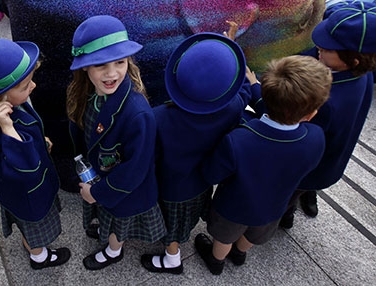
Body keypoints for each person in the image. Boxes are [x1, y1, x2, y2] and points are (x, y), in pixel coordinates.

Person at [195, 55, 332, 275]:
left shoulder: (239, 139)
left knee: (223, 237)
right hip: (273, 208)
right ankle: (240, 254)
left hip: (232, 208)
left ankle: (216, 259)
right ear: (311, 114)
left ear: (267, 98)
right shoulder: (316, 137)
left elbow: (212, 174)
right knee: (252, 236)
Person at [141, 32, 251, 274]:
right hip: (202, 183)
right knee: (186, 220)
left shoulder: (157, 117)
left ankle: (172, 259)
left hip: (170, 188)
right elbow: (243, 91)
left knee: (172, 227)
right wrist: (233, 49)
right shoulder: (232, 108)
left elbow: (150, 156)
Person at [0, 38, 71, 270]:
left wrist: (40, 140)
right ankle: (39, 258)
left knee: (27, 225)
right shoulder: (2, 125)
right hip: (28, 193)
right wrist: (9, 130)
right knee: (34, 229)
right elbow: (25, 169)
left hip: (22, 192)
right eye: (25, 86)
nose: (33, 87)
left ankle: (32, 246)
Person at [67, 15, 166, 270]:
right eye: (101, 64)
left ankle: (113, 251)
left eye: (120, 62)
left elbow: (135, 170)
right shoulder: (86, 93)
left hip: (122, 189)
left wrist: (96, 193)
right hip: (99, 176)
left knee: (116, 226)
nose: (112, 73)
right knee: (105, 216)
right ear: (84, 67)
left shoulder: (137, 114)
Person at [282, 1, 376, 226]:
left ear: (353, 59)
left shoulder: (327, 99)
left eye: (326, 49)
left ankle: (286, 213)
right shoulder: (360, 71)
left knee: (290, 193)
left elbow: (297, 134)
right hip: (329, 156)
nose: (318, 49)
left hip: (315, 163)